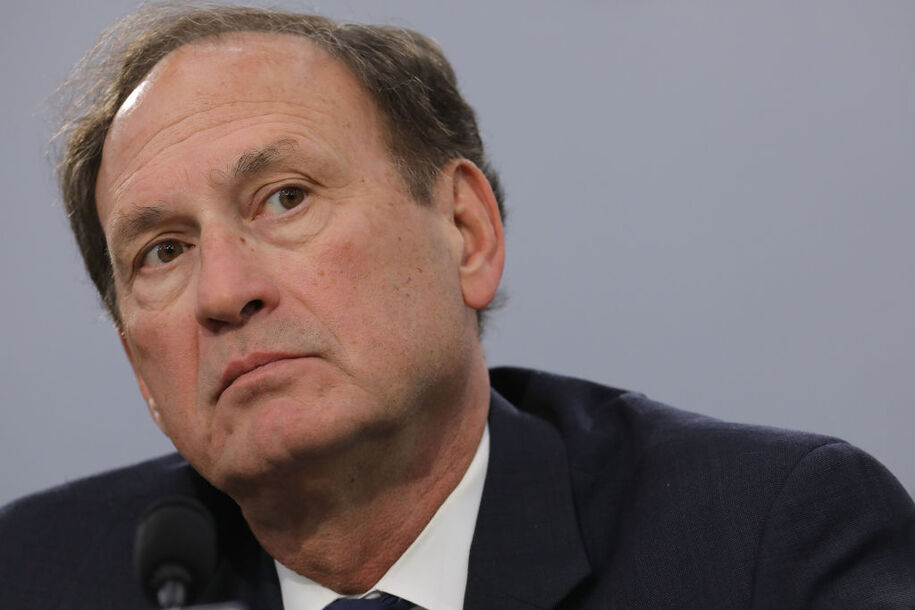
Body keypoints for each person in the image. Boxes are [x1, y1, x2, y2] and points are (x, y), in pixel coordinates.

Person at [1, 4, 913, 609]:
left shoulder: (762, 545)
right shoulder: (34, 576)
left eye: (285, 198)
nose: (226, 291)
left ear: (465, 232)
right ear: (136, 360)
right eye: (163, 251)